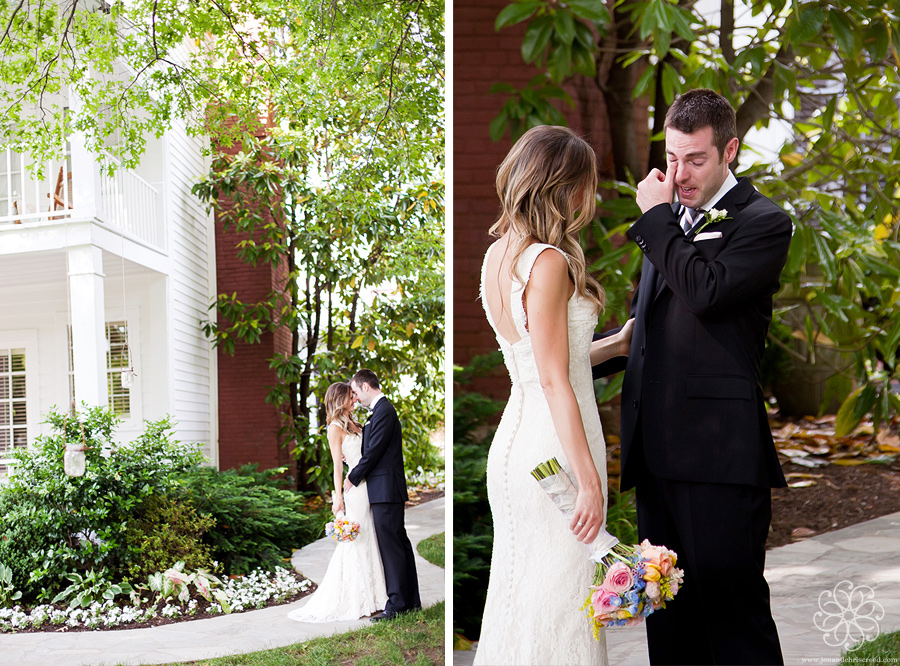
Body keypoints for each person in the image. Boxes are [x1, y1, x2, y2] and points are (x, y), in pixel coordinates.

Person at [595, 88, 791, 664]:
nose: (679, 174)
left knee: (733, 619)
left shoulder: (764, 223)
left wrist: (656, 221)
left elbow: (704, 293)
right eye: (673, 158)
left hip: (718, 457)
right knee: (670, 624)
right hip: (656, 457)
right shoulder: (671, 226)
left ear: (730, 149)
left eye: (696, 159)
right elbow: (646, 335)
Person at [476, 124, 633, 666]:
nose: (588, 199)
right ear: (563, 187)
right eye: (585, 185)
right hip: (556, 449)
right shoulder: (549, 261)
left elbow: (539, 364)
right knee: (567, 603)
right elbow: (553, 379)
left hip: (517, 443)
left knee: (524, 595)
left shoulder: (499, 256)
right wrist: (590, 481)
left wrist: (614, 345)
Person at [288, 382, 387, 622]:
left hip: (367, 485)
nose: (354, 400)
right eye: (351, 397)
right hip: (355, 490)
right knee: (357, 542)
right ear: (339, 399)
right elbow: (336, 466)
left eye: (355, 396)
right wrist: (338, 498)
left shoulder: (355, 423)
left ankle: (376, 596)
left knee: (369, 537)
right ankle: (357, 599)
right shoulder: (334, 428)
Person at [344, 369, 421, 621]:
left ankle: (398, 604)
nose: (355, 397)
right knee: (398, 544)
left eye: (355, 391)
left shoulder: (384, 411)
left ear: (366, 387)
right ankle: (410, 601)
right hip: (385, 489)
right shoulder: (379, 412)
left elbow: (374, 452)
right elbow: (371, 448)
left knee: (391, 547)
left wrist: (352, 477)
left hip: (385, 490)